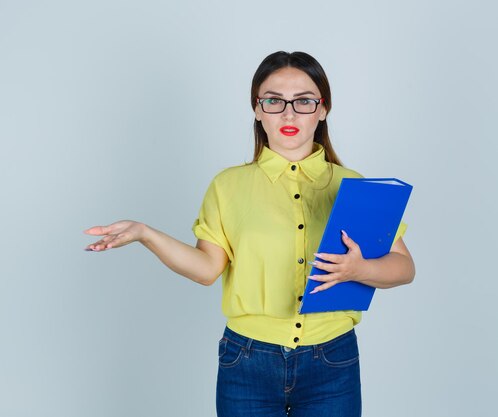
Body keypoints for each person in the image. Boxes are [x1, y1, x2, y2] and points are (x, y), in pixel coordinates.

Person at [84, 51, 415, 417]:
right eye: (274, 101)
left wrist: (358, 270)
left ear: (323, 109)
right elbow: (207, 269)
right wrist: (145, 234)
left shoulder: (353, 185)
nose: (288, 114)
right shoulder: (228, 186)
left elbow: (403, 267)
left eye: (303, 101)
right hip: (247, 361)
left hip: (332, 358)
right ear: (257, 109)